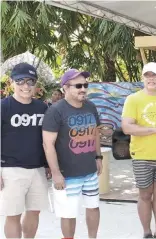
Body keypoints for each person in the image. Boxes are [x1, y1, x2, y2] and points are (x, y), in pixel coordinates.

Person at [42, 68, 103, 239]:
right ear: (65, 88)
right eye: (78, 86)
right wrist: (55, 173)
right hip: (67, 174)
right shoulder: (55, 111)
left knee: (94, 207)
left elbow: (95, 132)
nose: (83, 89)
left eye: (85, 85)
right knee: (68, 214)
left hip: (90, 170)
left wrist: (98, 156)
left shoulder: (90, 106)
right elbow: (48, 144)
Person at [121, 62, 156, 238]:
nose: (151, 79)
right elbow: (127, 128)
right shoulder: (133, 99)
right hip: (142, 155)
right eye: (147, 75)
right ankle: (147, 232)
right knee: (145, 195)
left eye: (155, 75)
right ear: (143, 78)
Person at [0, 63, 50, 239]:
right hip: (10, 169)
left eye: (30, 81)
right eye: (20, 81)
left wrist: (48, 165)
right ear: (12, 82)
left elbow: (47, 140)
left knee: (34, 212)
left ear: (36, 84)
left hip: (37, 169)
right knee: (13, 214)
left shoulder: (42, 108)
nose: (26, 86)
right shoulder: (3, 107)